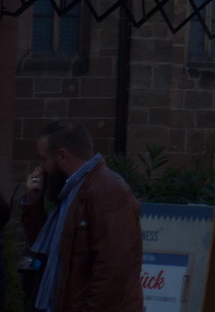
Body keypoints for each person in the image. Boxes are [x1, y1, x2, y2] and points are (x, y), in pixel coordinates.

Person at [18, 119, 143, 311]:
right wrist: (34, 202)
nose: (40, 167)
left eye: (43, 159)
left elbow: (114, 270)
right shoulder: (70, 192)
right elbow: (50, 251)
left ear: (62, 157)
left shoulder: (107, 190)